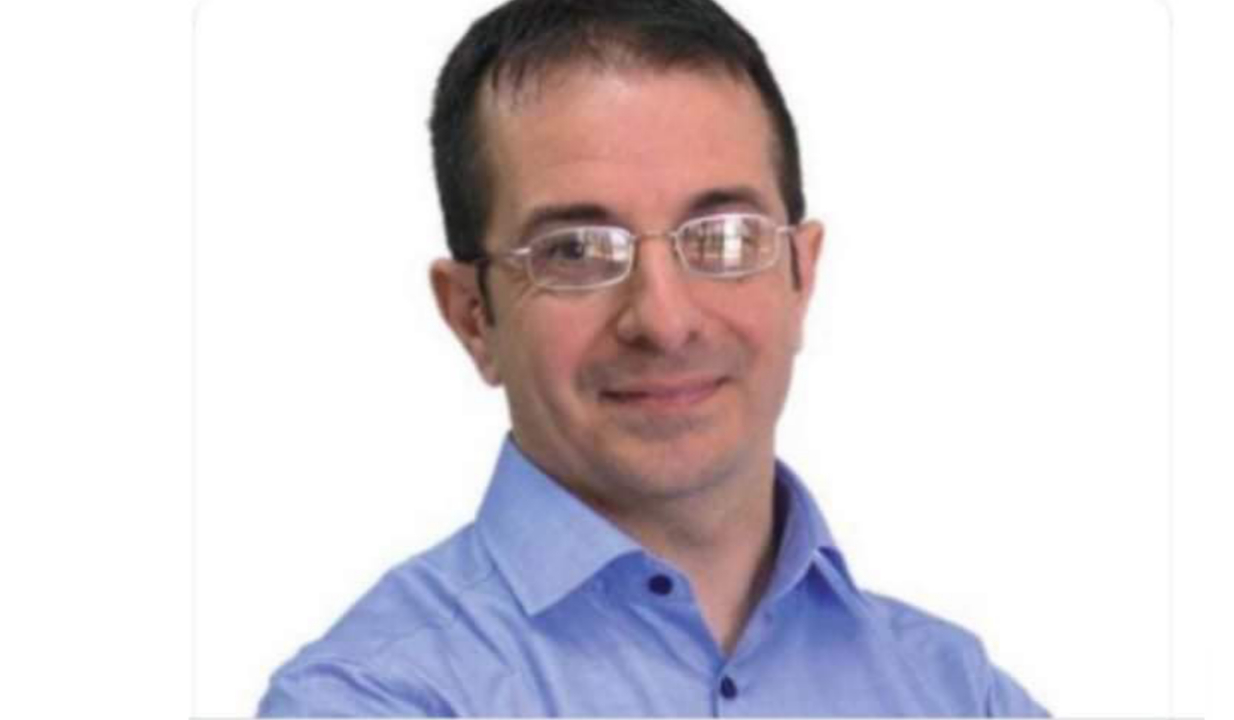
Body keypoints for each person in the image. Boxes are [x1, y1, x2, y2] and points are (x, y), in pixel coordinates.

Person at [255, 0, 1047, 716]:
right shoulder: (369, 698)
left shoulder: (959, 693)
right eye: (575, 251)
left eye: (725, 237)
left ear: (801, 276)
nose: (665, 322)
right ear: (473, 317)